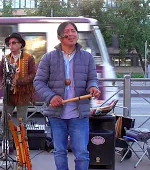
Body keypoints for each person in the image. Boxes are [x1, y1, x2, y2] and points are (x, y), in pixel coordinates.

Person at [33, 21, 101, 170]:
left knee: (82, 153)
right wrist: (51, 97)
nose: (71, 34)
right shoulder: (48, 58)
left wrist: (93, 88)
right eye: (67, 31)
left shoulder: (87, 57)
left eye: (74, 31)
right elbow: (38, 82)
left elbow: (92, 79)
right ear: (59, 37)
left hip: (79, 113)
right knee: (60, 151)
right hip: (56, 115)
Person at [0, 33, 36, 156]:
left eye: (14, 43)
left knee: (21, 122)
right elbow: (0, 73)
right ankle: (8, 146)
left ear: (20, 45)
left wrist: (18, 82)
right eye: (9, 43)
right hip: (9, 93)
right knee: (4, 120)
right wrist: (4, 84)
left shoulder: (29, 58)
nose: (11, 45)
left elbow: (33, 74)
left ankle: (22, 147)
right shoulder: (6, 58)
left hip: (23, 94)